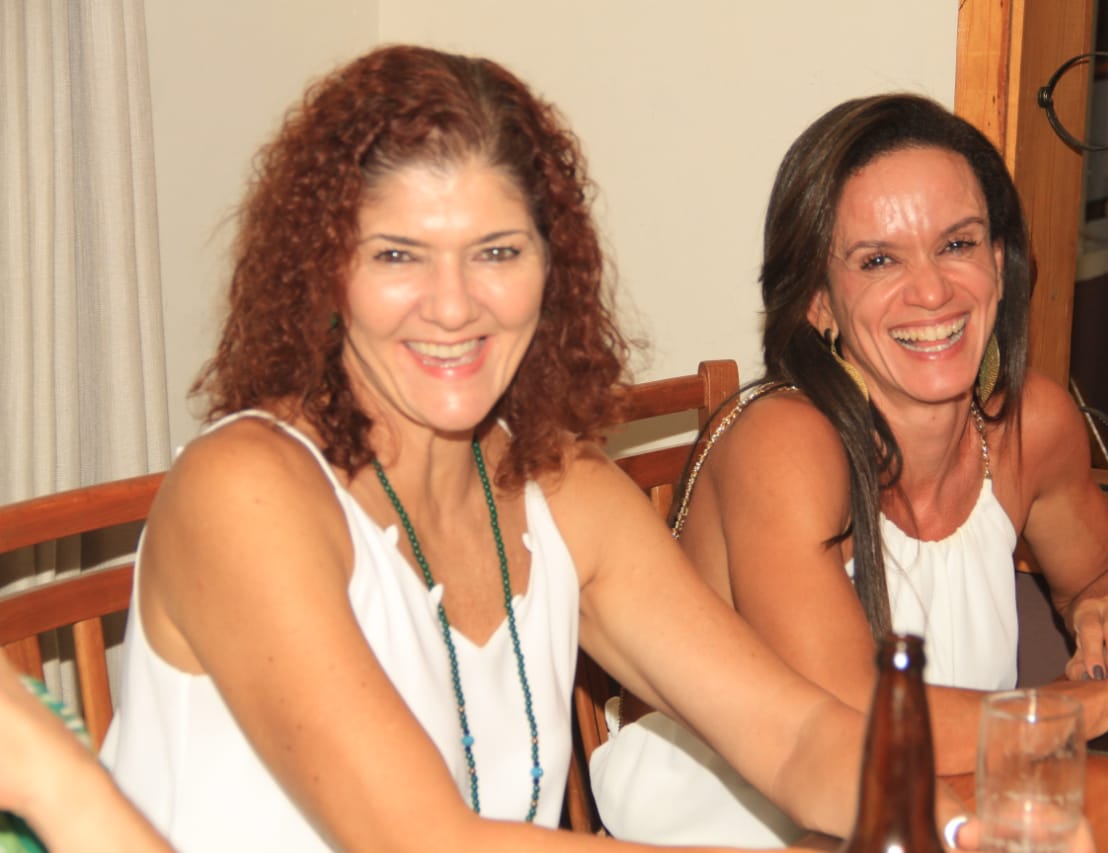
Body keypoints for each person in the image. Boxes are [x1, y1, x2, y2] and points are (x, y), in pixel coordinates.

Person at [0, 46, 964, 853]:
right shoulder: (246, 490)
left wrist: (974, 820)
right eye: (398, 255)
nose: (455, 306)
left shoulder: (561, 488)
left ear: (552, 267)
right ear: (325, 271)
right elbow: (423, 839)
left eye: (498, 251)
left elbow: (794, 736)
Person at [588, 93, 1108, 847]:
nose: (931, 290)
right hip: (726, 830)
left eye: (957, 244)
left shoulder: (1032, 426)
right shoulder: (783, 444)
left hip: (940, 807)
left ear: (998, 263)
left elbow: (1103, 571)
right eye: (879, 260)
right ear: (819, 303)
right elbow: (858, 724)